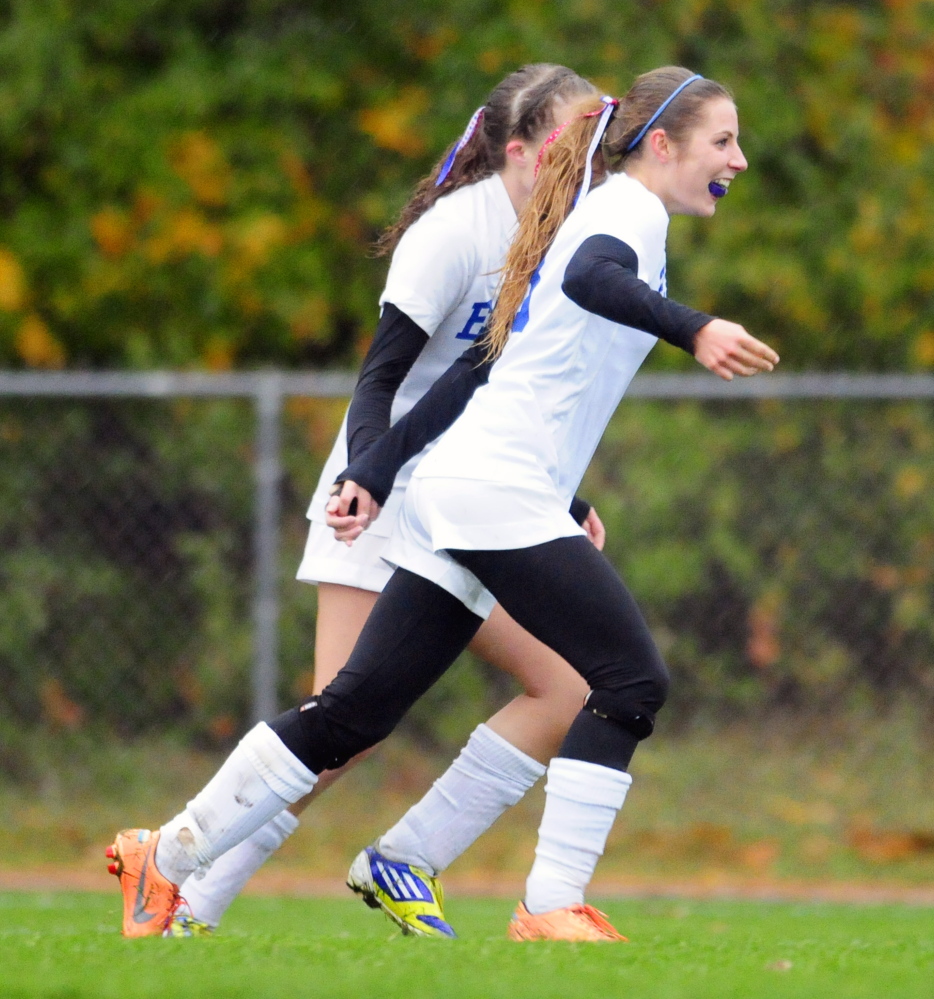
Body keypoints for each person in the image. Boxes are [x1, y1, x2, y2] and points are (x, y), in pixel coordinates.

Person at [108, 65, 779, 943]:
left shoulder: (612, 214)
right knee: (628, 679)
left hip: (469, 487)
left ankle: (166, 852)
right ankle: (548, 905)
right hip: (491, 493)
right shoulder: (627, 213)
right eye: (722, 140)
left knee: (353, 713)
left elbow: (490, 368)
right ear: (662, 143)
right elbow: (590, 279)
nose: (739, 158)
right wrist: (693, 326)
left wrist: (387, 469)